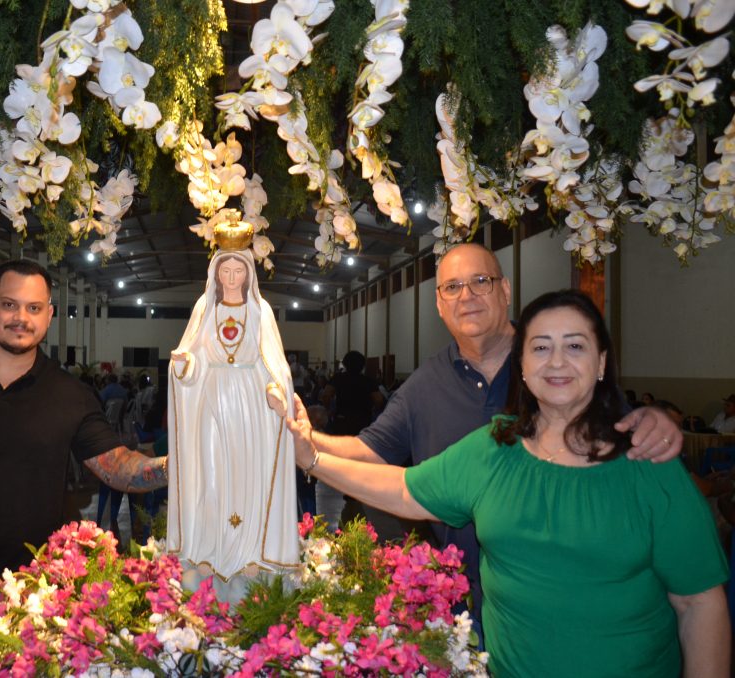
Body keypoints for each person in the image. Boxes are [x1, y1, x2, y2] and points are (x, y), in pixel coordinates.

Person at [290, 289, 729, 677]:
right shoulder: (495, 448)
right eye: (541, 347)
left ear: (600, 363)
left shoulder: (646, 462)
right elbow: (405, 489)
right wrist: (312, 457)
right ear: (522, 365)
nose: (557, 361)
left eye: (575, 346)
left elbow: (699, 603)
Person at [0, 259, 167, 573]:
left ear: (49, 315)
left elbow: (118, 466)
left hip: (33, 572)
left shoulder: (70, 394)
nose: (21, 318)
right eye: (9, 304)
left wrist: (179, 466)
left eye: (34, 308)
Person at [167, 222, 300, 602]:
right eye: (224, 270)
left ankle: (248, 552)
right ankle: (209, 549)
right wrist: (184, 367)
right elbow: (191, 358)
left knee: (247, 475)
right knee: (211, 475)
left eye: (237, 270)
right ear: (215, 273)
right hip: (211, 400)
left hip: (249, 405)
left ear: (248, 273)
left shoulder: (261, 311)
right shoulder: (204, 309)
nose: (230, 277)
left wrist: (276, 389)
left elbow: (274, 362)